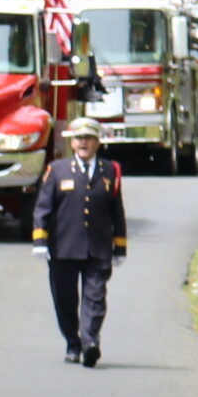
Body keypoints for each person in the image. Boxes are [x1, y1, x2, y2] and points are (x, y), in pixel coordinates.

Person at [32, 118, 127, 367]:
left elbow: (117, 211)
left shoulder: (110, 171)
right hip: (64, 247)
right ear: (72, 142)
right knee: (65, 299)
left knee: (95, 297)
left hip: (98, 248)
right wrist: (40, 241)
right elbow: (43, 208)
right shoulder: (57, 169)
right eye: (79, 138)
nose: (84, 142)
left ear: (98, 142)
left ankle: (90, 342)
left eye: (89, 138)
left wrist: (120, 247)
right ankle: (73, 344)